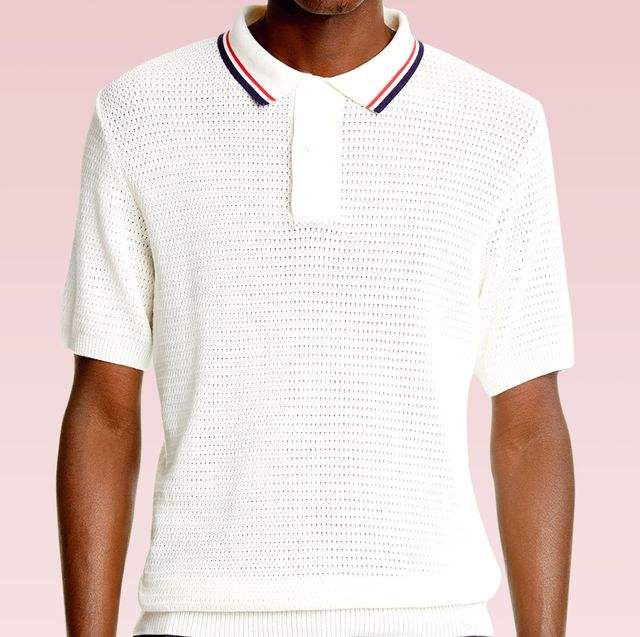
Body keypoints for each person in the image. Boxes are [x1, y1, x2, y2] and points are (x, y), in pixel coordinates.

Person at [57, 1, 576, 636]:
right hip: (197, 617)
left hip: (435, 616)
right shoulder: (139, 114)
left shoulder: (501, 126)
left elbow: (529, 423)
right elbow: (104, 410)